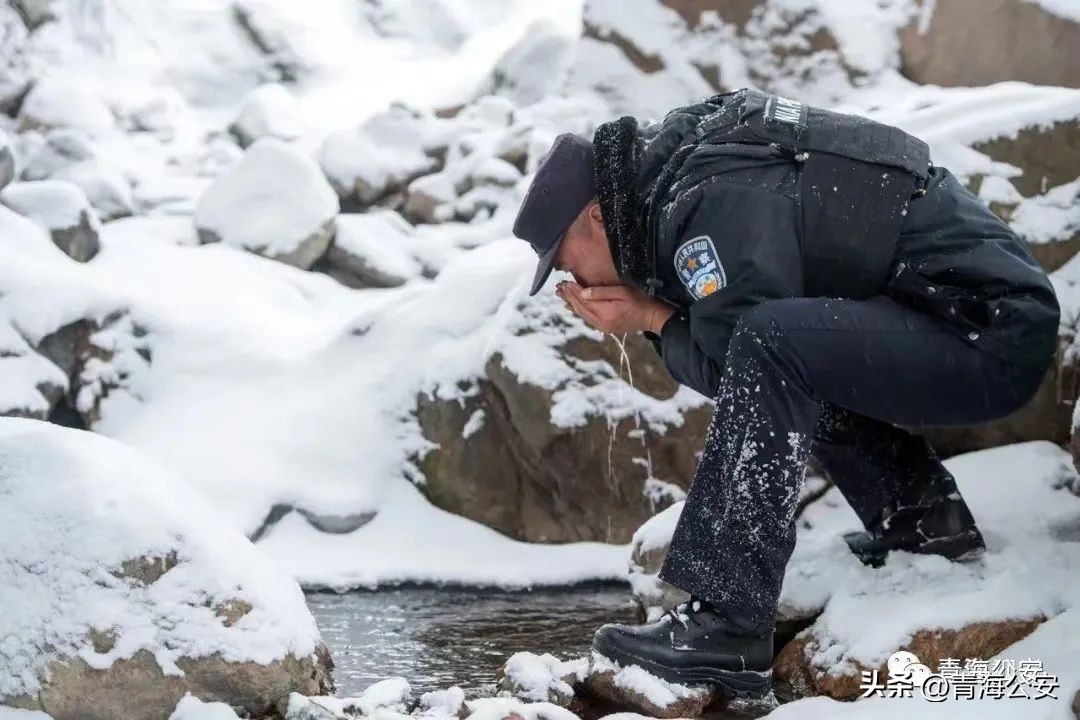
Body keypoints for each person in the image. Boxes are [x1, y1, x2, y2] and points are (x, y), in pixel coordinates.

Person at [510, 89, 1059, 696]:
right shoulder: (681, 172)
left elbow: (748, 373)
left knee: (773, 342)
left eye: (565, 261)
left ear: (593, 215)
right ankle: (925, 527)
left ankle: (728, 622)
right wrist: (655, 312)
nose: (575, 280)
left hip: (988, 335)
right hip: (975, 318)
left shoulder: (700, 205)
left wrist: (653, 318)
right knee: (792, 341)